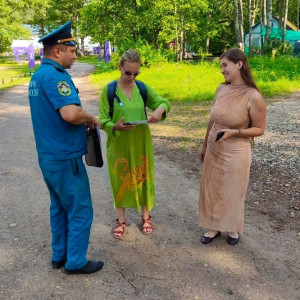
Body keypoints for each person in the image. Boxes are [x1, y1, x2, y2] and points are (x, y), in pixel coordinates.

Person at [28, 21, 104, 274]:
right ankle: (76, 262)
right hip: (65, 158)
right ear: (57, 51)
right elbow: (71, 114)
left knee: (59, 207)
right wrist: (91, 118)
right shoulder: (56, 76)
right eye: (72, 51)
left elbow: (52, 115)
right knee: (81, 210)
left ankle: (59, 255)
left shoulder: (38, 76)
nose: (75, 55)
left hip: (48, 156)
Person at [99, 49, 170, 239]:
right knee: (119, 179)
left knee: (144, 176)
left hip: (141, 143)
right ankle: (121, 220)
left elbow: (162, 102)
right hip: (119, 143)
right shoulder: (109, 90)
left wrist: (160, 110)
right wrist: (113, 126)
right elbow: (102, 118)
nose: (131, 77)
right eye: (128, 73)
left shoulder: (142, 88)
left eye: (136, 73)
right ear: (119, 67)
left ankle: (146, 216)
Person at [199, 48, 266, 245]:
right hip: (214, 147)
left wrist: (235, 133)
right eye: (221, 66)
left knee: (233, 190)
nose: (222, 70)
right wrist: (204, 146)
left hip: (236, 150)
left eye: (225, 65)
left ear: (239, 64)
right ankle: (214, 226)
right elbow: (213, 120)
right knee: (213, 188)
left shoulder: (253, 96)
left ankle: (234, 228)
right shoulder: (221, 89)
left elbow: (260, 129)